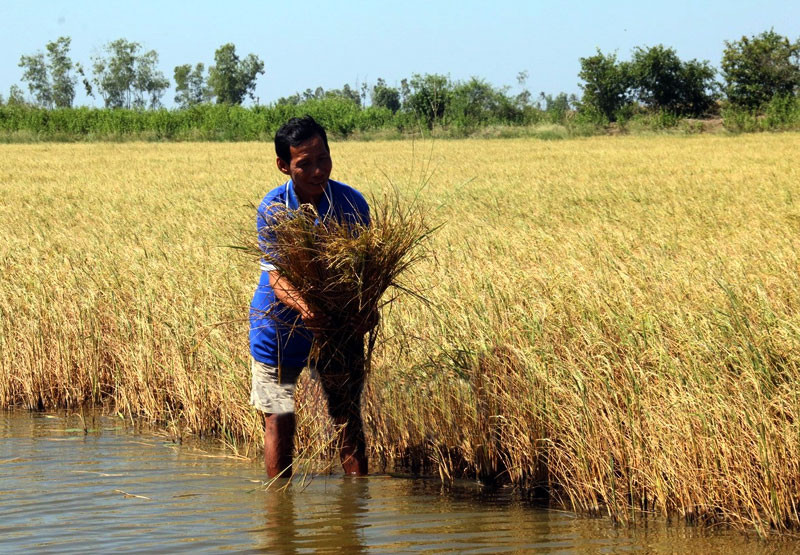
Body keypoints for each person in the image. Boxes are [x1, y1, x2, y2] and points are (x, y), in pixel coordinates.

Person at [249, 115, 373, 478]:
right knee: (278, 417)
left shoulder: (351, 204)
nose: (318, 171)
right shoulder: (274, 209)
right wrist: (305, 307)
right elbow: (276, 275)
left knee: (346, 417)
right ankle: (279, 519)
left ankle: (355, 514)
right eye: (305, 164)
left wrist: (367, 310)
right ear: (283, 165)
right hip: (278, 328)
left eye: (324, 159)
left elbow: (363, 272)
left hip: (337, 326)